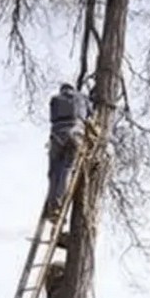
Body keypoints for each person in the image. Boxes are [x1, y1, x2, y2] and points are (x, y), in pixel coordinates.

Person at [46, 82, 92, 218]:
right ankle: (59, 203)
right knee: (67, 169)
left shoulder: (55, 99)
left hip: (57, 136)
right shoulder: (82, 98)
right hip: (76, 135)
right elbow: (90, 114)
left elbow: (52, 117)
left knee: (54, 172)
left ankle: (53, 204)